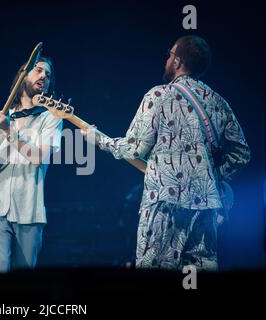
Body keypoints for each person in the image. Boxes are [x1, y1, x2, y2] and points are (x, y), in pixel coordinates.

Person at [84, 36, 250, 271]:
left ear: (178, 61)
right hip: (206, 207)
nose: (168, 59)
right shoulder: (217, 102)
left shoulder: (158, 96)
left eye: (170, 54)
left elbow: (134, 147)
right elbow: (241, 153)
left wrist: (99, 141)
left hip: (164, 203)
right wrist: (213, 176)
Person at [0, 56, 62, 272]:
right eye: (38, 70)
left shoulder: (51, 118)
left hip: (29, 210)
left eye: (47, 75)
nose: (43, 76)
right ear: (23, 77)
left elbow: (39, 158)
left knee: (24, 278)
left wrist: (10, 132)